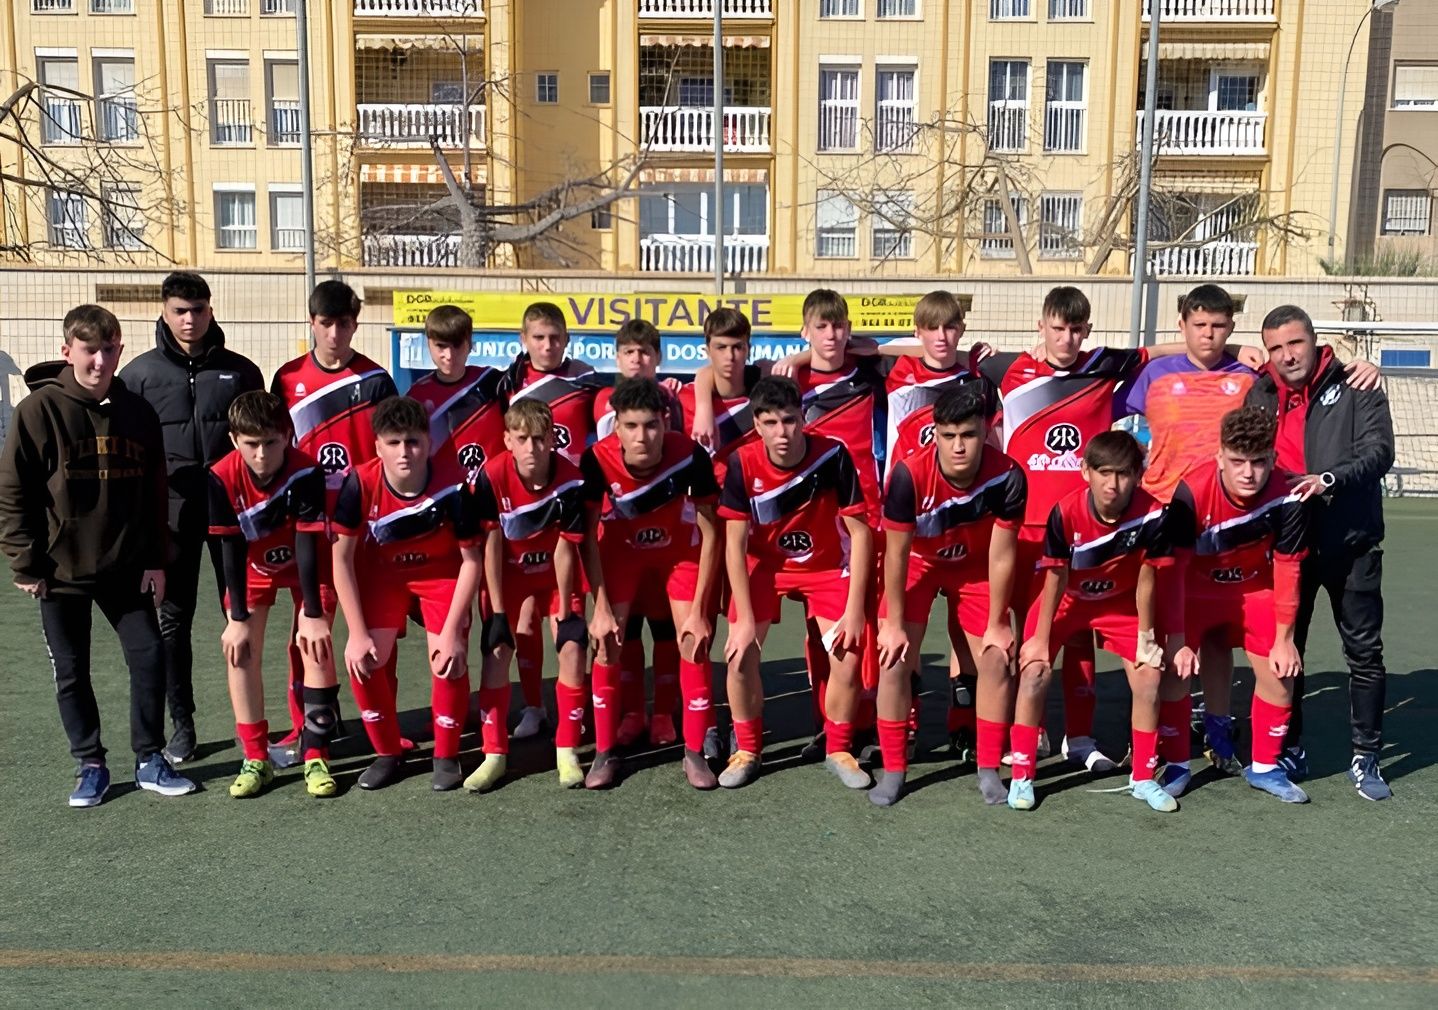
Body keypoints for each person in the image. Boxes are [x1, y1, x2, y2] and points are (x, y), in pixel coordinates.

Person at [1120, 285, 1380, 776]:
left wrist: (1361, 364)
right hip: (1165, 518)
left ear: (1231, 329)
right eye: (1199, 325)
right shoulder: (1151, 374)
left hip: (1234, 520)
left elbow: (1296, 371)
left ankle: (1218, 728)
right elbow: (1109, 423)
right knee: (1155, 639)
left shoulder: (1248, 377)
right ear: (1182, 326)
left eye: (1219, 326)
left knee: (1218, 639)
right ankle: (1147, 734)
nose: (1209, 334)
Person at [0, 305, 196, 806]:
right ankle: (90, 764)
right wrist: (24, 560)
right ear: (68, 352)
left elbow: (156, 492)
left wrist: (156, 558)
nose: (100, 361)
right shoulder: (38, 411)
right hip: (58, 569)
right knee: (71, 671)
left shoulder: (138, 413)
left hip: (127, 565)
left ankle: (150, 757)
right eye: (90, 350)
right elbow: (12, 491)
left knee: (149, 657)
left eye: (110, 350)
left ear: (120, 351)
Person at [1245, 305, 1396, 800]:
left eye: (1295, 343)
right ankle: (1291, 747)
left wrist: (1327, 480)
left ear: (1314, 340)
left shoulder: (1357, 382)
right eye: (1276, 347)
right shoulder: (1261, 390)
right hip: (1288, 546)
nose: (1287, 355)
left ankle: (1366, 755)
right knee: (1288, 652)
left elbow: (1379, 453)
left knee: (1364, 654)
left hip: (1350, 544)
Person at [121, 271, 264, 765]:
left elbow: (259, 445)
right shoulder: (138, 376)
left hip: (230, 517)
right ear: (163, 310)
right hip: (171, 519)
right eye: (180, 310)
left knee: (241, 618)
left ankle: (253, 730)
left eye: (198, 309)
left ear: (210, 310)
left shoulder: (241, 372)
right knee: (173, 622)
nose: (189, 319)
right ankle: (182, 724)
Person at [873, 387, 1026, 807]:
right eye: (948, 435)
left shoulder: (1009, 475)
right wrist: (893, 624)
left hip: (974, 566)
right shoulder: (908, 475)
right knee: (893, 659)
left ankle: (990, 768)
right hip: (920, 565)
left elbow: (1001, 555)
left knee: (997, 657)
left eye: (969, 435)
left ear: (986, 430)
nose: (958, 446)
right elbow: (897, 556)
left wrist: (998, 622)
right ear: (934, 434)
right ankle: (893, 769)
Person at [718, 376, 873, 790]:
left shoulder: (833, 455)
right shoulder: (742, 463)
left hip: (824, 566)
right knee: (738, 654)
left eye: (789, 421)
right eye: (770, 423)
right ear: (756, 424)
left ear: (803, 417)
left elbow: (860, 533)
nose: (781, 433)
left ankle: (839, 747)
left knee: (849, 653)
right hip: (764, 565)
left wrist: (856, 610)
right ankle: (748, 749)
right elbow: (734, 545)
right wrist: (745, 619)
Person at [268, 280, 398, 766]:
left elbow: (390, 452)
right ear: (312, 324)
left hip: (364, 531)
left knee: (376, 632)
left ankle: (382, 727)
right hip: (309, 530)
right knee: (310, 629)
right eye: (327, 323)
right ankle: (306, 727)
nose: (336, 333)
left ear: (355, 325)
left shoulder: (377, 380)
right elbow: (275, 451)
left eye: (344, 323)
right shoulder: (286, 379)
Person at [1015, 431, 1179, 814]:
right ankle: (1022, 776)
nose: (1113, 484)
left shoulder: (1155, 514)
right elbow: (1054, 579)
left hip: (1119, 605)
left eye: (1123, 474)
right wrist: (1040, 639)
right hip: (1067, 600)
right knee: (1034, 672)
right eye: (1104, 472)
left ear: (1138, 474)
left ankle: (1142, 778)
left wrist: (1146, 636)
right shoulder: (1065, 511)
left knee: (1149, 676)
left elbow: (1146, 579)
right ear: (1085, 470)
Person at [331, 396, 482, 792]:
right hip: (384, 577)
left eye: (413, 442)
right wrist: (356, 632)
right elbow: (341, 560)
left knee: (448, 658)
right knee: (363, 659)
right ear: (377, 445)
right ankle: (387, 753)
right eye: (394, 442)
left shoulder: (453, 487)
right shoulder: (359, 483)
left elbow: (471, 561)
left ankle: (446, 754)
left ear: (429, 442)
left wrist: (453, 631)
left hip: (441, 576)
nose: (404, 452)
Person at [1162, 407, 1312, 804]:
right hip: (1194, 590)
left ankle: (1264, 766)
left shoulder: (1288, 495)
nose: (1248, 473)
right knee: (1174, 673)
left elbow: (1288, 569)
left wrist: (1285, 638)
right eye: (1237, 462)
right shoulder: (1191, 492)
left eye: (1259, 462)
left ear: (1273, 460)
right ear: (1219, 457)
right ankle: (1179, 763)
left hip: (1253, 590)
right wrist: (1177, 638)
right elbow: (1173, 571)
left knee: (1281, 675)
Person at [581, 378, 723, 790]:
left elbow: (712, 531)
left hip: (676, 555)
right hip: (621, 555)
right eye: (630, 426)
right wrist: (601, 607)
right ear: (617, 426)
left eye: (650, 425)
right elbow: (587, 535)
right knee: (607, 640)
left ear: (665, 422)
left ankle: (694, 752)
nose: (641, 436)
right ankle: (605, 753)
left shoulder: (690, 455)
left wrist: (699, 609)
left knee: (693, 639)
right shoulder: (596, 459)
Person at [207, 392, 340, 799]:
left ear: (287, 436)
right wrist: (236, 618)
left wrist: (313, 614)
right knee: (241, 648)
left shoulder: (307, 472)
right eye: (251, 444)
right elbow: (228, 548)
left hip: (308, 566)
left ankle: (315, 753)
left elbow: (305, 545)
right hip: (253, 569)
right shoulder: (219, 476)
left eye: (271, 442)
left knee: (313, 644)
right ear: (235, 441)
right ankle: (256, 758)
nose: (262, 454)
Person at [467, 399, 590, 791]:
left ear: (553, 439)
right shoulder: (490, 476)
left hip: (556, 574)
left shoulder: (572, 479)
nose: (532, 448)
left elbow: (566, 548)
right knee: (499, 646)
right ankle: (494, 755)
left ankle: (567, 750)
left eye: (540, 438)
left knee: (571, 646)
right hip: (510, 573)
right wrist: (497, 611)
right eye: (523, 439)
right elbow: (491, 544)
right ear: (507, 440)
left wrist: (567, 611)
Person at [592, 320, 687, 749]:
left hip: (668, 533)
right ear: (617, 358)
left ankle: (665, 713)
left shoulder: (677, 398)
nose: (637, 359)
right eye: (629, 352)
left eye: (645, 352)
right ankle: (631, 713)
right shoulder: (602, 402)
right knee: (624, 632)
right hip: (619, 532)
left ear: (658, 357)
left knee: (666, 627)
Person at [407, 304, 508, 481]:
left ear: (470, 343)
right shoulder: (416, 396)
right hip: (444, 497)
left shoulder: (493, 381)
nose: (449, 355)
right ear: (428, 343)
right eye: (441, 346)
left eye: (457, 345)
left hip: (494, 492)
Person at [502, 301, 600, 468]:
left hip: (572, 482)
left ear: (566, 339)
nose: (547, 346)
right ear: (523, 338)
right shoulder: (507, 384)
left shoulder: (586, 379)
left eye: (554, 338)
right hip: (527, 483)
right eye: (539, 337)